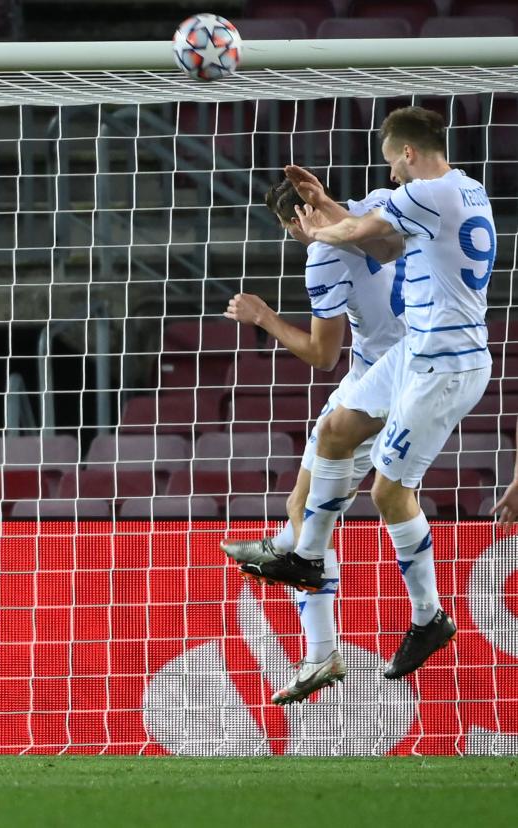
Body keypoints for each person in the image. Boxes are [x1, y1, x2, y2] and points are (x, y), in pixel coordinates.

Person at [246, 106, 494, 680]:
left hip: (445, 364)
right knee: (336, 428)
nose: (391, 177)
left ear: (409, 153)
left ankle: (429, 617)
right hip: (416, 350)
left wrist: (316, 228)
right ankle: (308, 555)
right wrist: (327, 206)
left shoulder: (428, 191)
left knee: (388, 493)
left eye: (391, 163)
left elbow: (359, 234)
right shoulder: (466, 189)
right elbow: (380, 244)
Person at [220, 178, 405, 703]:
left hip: (385, 381)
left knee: (311, 517)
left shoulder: (323, 256)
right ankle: (277, 547)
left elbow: (322, 355)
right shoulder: (371, 207)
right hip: (384, 366)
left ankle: (321, 651)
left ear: (294, 222)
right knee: (302, 505)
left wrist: (263, 317)